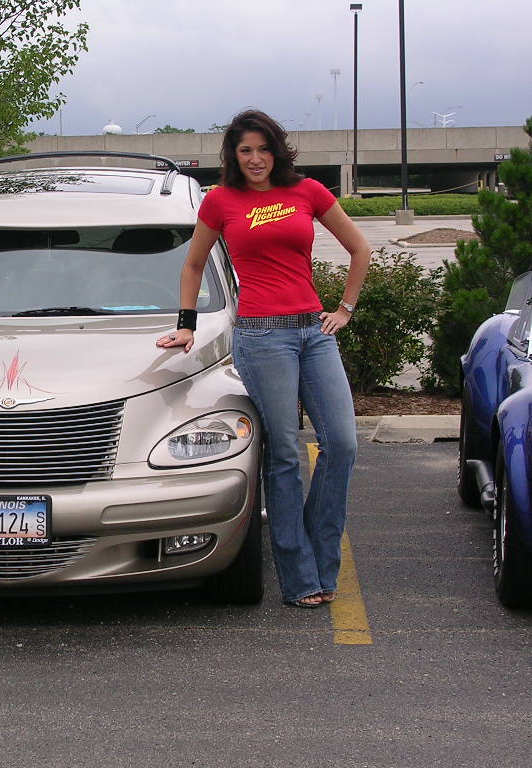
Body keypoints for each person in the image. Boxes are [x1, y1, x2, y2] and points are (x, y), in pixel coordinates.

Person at [156, 109, 371, 609]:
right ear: (233, 155)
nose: (255, 159)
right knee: (284, 455)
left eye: (263, 148)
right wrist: (186, 323)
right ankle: (300, 577)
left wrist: (345, 309)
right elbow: (192, 264)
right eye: (245, 150)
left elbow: (360, 250)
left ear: (277, 150)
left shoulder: (309, 192)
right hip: (260, 336)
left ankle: (323, 557)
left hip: (313, 332)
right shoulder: (220, 201)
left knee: (341, 444)